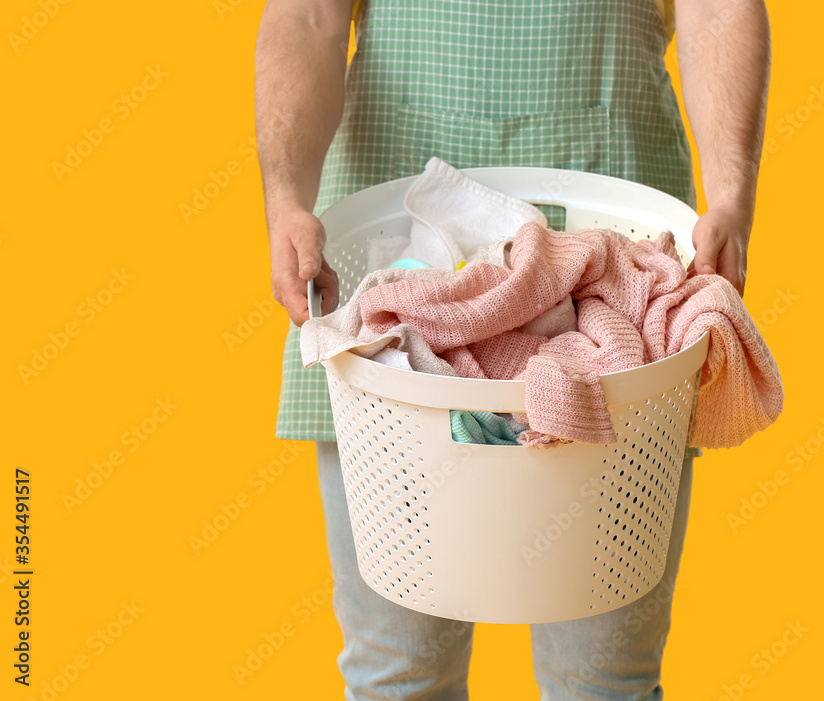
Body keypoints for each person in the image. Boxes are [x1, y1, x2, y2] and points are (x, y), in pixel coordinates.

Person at [254, 0, 770, 697]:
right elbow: (307, 15)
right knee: (399, 675)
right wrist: (287, 199)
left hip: (617, 255)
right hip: (387, 259)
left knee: (603, 681)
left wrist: (730, 198)